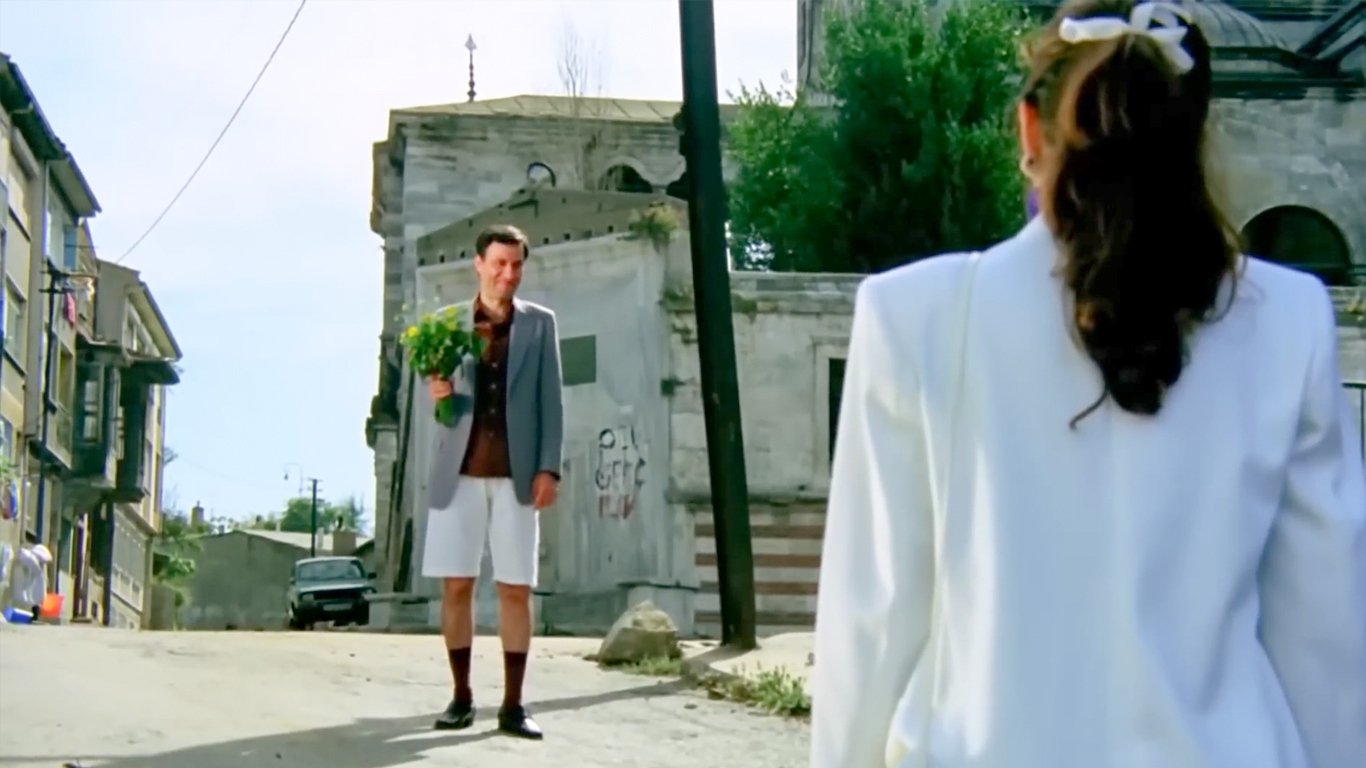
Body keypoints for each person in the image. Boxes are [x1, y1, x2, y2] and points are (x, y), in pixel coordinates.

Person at [809, 1, 1366, 766]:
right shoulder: (1290, 321)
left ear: (1027, 131)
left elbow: (870, 631)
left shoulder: (912, 318)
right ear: (1192, 135)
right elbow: (1326, 642)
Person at [421, 223, 564, 740]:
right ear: (479, 264)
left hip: (517, 476)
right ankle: (461, 696)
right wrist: (436, 388)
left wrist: (549, 467)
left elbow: (551, 401)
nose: (508, 274)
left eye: (517, 265)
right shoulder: (445, 324)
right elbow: (433, 395)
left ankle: (513, 705)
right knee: (457, 585)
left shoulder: (540, 325)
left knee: (515, 588)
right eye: (500, 263)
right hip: (457, 473)